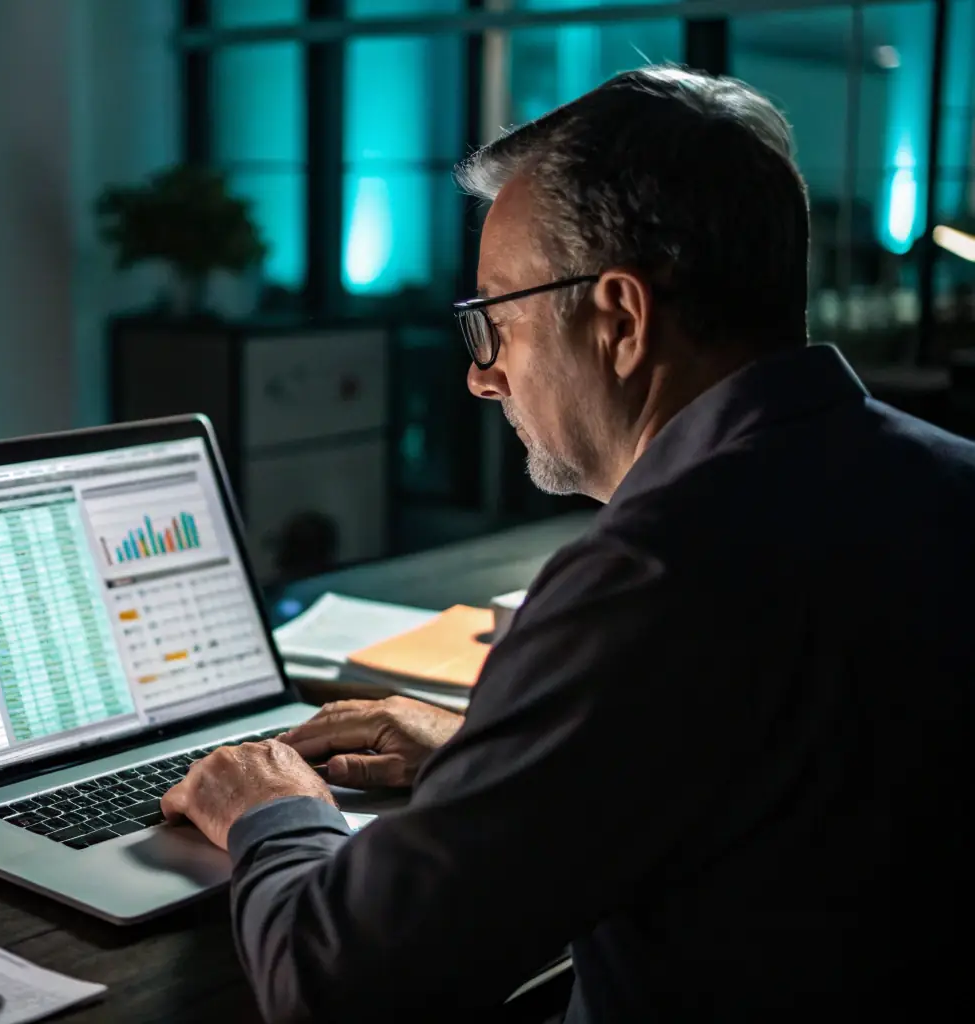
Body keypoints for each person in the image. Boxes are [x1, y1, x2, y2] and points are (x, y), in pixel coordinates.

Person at [160, 64, 975, 1023]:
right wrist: (492, 758)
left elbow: (335, 985)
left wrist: (269, 807)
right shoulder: (947, 479)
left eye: (492, 323)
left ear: (620, 319)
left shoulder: (651, 577)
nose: (482, 379)